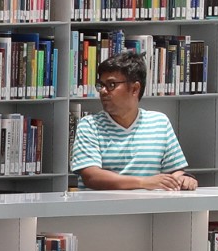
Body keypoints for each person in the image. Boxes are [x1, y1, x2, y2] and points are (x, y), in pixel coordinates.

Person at [71, 51, 198, 191]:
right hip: (101, 210)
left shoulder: (160, 123)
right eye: (101, 85)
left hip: (148, 210)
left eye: (111, 84)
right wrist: (143, 182)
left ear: (135, 89)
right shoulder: (89, 125)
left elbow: (175, 171)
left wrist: (184, 178)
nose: (103, 91)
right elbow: (92, 177)